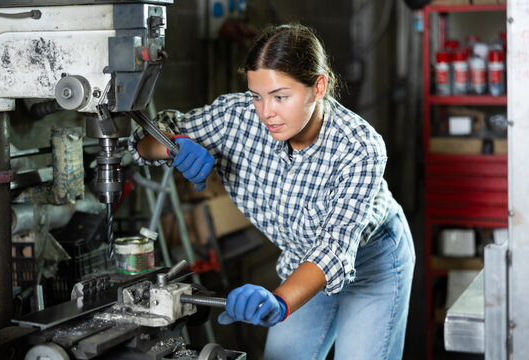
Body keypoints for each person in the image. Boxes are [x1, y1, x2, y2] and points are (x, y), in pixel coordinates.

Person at [129, 23, 415, 360]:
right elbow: (144, 140)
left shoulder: (359, 147)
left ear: (318, 87)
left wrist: (279, 301)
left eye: (280, 96)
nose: (266, 112)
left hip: (374, 263)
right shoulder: (236, 118)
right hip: (302, 260)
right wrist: (171, 147)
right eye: (256, 95)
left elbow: (335, 248)